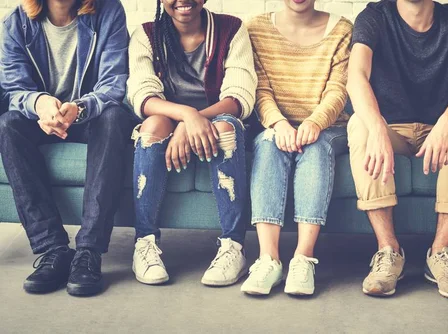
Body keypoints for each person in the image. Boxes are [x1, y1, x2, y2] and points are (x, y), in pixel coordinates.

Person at [347, 0, 448, 298]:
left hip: (440, 131)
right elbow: (356, 75)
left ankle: (441, 253)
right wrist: (376, 126)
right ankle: (388, 252)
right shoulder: (374, 16)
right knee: (360, 124)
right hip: (391, 130)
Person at [0, 0, 131, 296]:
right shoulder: (16, 22)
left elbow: (114, 83)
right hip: (43, 118)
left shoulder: (108, 11)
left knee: (114, 118)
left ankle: (89, 251)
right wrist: (40, 104)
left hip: (89, 115)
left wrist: (79, 108)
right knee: (8, 124)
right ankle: (53, 249)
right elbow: (13, 87)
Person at [126, 0, 257, 286]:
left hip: (216, 121)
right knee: (151, 127)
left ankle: (233, 245)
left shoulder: (231, 29)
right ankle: (144, 242)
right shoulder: (147, 35)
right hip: (171, 120)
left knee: (225, 128)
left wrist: (194, 122)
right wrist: (186, 117)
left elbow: (239, 96)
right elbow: (143, 96)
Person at [241, 0, 352, 296]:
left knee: (315, 148)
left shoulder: (342, 30)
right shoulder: (256, 28)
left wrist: (314, 123)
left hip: (329, 127)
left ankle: (303, 258)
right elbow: (259, 89)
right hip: (276, 124)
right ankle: (269, 259)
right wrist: (278, 125)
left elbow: (338, 90)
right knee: (267, 145)